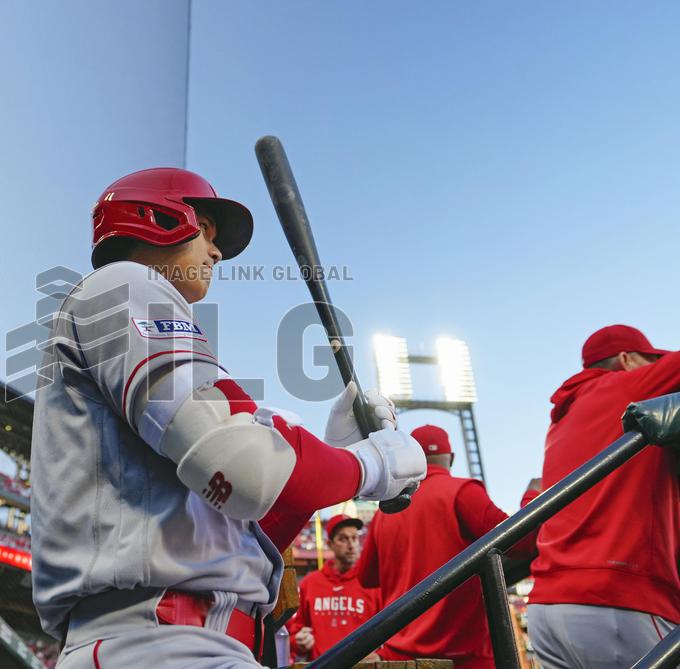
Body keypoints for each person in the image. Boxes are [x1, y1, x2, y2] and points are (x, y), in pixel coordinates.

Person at [29, 167, 427, 668]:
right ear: (159, 217)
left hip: (186, 642)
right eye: (207, 232)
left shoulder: (135, 314)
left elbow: (241, 522)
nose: (216, 253)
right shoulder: (123, 283)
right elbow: (243, 469)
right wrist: (372, 466)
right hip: (159, 641)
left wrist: (338, 459)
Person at [528, 325, 680, 669]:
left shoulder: (561, 420)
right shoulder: (626, 385)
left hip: (548, 606)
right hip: (617, 599)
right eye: (649, 361)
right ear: (626, 359)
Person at [356, 424, 538, 669]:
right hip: (463, 657)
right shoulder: (461, 491)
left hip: (399, 656)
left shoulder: (385, 511)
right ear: (450, 458)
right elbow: (523, 544)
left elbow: (366, 578)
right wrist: (532, 496)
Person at [286, 514, 382, 662]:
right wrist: (298, 641)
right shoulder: (310, 583)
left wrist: (381, 656)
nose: (351, 544)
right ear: (329, 544)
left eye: (354, 538)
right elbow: (296, 632)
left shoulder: (372, 584)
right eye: (343, 539)